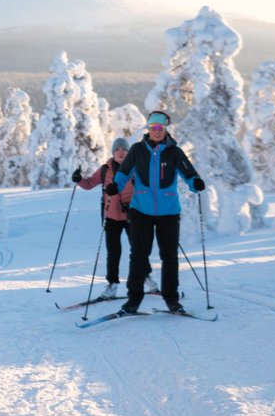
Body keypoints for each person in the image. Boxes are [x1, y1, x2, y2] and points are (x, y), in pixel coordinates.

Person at [105, 110, 205, 314]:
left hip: (168, 212)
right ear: (148, 129)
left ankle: (172, 300)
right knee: (139, 256)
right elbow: (124, 172)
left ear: (165, 129)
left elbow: (189, 173)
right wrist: (116, 186)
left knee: (169, 256)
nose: (157, 131)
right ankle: (133, 301)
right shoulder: (137, 150)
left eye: (160, 128)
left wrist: (196, 183)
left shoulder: (174, 152)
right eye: (153, 128)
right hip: (141, 210)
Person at [72, 137, 155, 300]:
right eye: (117, 149)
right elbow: (89, 184)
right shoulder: (105, 169)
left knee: (139, 250)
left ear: (129, 152)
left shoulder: (136, 168)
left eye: (124, 149)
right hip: (111, 216)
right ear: (113, 152)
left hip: (133, 215)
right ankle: (112, 285)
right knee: (113, 252)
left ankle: (147, 278)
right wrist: (78, 179)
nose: (121, 152)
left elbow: (148, 188)